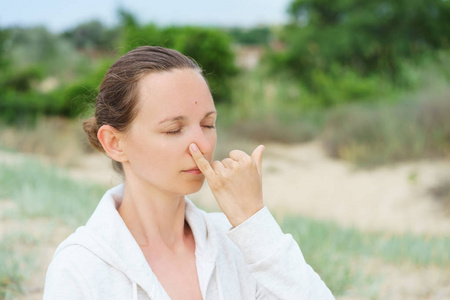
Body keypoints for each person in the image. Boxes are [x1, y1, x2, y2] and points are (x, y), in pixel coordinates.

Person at [43, 46, 334, 300]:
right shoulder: (80, 265)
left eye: (208, 124)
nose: (203, 145)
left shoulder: (237, 241)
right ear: (115, 143)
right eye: (173, 130)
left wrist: (254, 222)